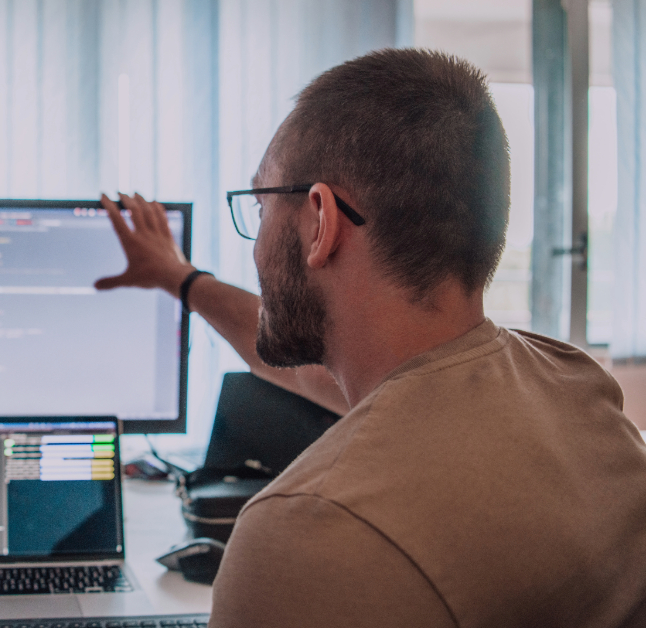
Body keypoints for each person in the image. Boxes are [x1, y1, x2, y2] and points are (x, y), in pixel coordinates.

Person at [98, 49, 646, 626]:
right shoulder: (573, 385)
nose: (254, 241)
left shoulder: (310, 531)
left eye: (259, 209)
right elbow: (319, 379)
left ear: (320, 220)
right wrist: (180, 279)